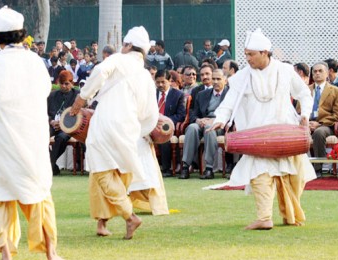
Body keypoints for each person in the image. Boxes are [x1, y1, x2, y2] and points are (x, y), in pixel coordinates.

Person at [0, 6, 66, 260]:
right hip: (33, 137)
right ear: (22, 34)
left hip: (1, 140)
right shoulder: (36, 62)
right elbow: (46, 90)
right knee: (38, 195)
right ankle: (51, 254)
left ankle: (5, 256)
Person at [209, 28, 316, 230]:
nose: (247, 58)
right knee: (260, 175)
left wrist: (304, 115)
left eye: (251, 54)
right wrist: (220, 119)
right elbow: (229, 102)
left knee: (293, 177)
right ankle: (264, 218)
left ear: (264, 52)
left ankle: (291, 215)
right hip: (257, 137)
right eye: (246, 54)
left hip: (286, 134)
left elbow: (304, 94)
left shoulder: (285, 70)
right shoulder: (242, 77)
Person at [69, 26, 158, 239]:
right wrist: (138, 128)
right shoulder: (146, 75)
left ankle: (130, 216)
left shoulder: (119, 59)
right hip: (130, 128)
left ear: (127, 45)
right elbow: (148, 111)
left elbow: (99, 72)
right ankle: (102, 222)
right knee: (119, 173)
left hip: (107, 122)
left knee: (101, 171)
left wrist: (82, 97)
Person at [179, 69, 228, 179]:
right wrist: (197, 120)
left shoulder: (230, 94)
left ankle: (209, 169)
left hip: (219, 123)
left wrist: (215, 121)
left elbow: (232, 115)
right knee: (192, 127)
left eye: (218, 79)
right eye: (213, 79)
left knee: (209, 128)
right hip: (202, 122)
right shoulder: (202, 94)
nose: (215, 81)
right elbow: (193, 113)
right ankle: (186, 167)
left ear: (225, 80)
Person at [307, 62, 338, 178]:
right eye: (315, 71)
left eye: (320, 71)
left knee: (319, 133)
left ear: (327, 73)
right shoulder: (305, 90)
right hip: (306, 124)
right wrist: (305, 122)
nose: (317, 73)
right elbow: (298, 111)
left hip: (326, 124)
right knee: (295, 134)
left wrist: (319, 124)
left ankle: (318, 168)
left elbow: (337, 115)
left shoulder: (337, 91)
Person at [47, 70, 80, 175]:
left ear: (72, 83)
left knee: (61, 137)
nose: (64, 86)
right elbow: (44, 112)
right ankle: (52, 166)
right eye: (61, 84)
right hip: (52, 124)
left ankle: (50, 164)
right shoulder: (52, 95)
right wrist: (51, 121)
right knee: (40, 136)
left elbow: (78, 115)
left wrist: (62, 124)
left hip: (68, 127)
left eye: (66, 84)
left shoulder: (77, 96)